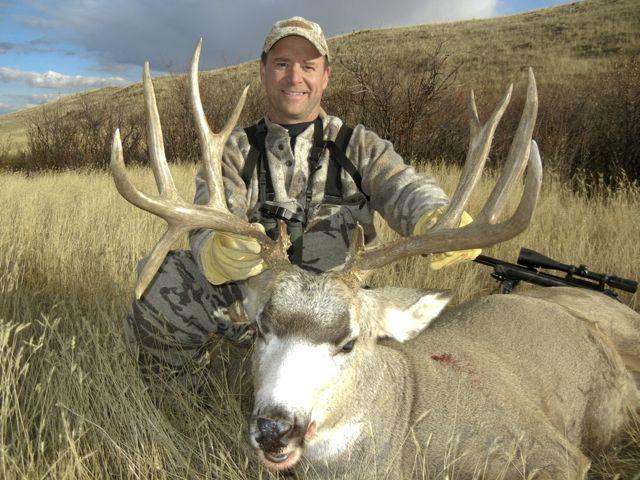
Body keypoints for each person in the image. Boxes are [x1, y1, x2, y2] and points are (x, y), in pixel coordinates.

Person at [123, 16, 479, 383]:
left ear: (325, 75)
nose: (295, 78)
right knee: (163, 280)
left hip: (336, 314)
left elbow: (404, 186)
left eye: (308, 66)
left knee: (431, 347)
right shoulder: (235, 150)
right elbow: (207, 216)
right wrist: (217, 248)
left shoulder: (359, 146)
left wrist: (434, 215)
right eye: (282, 64)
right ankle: (179, 402)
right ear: (263, 71)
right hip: (259, 308)